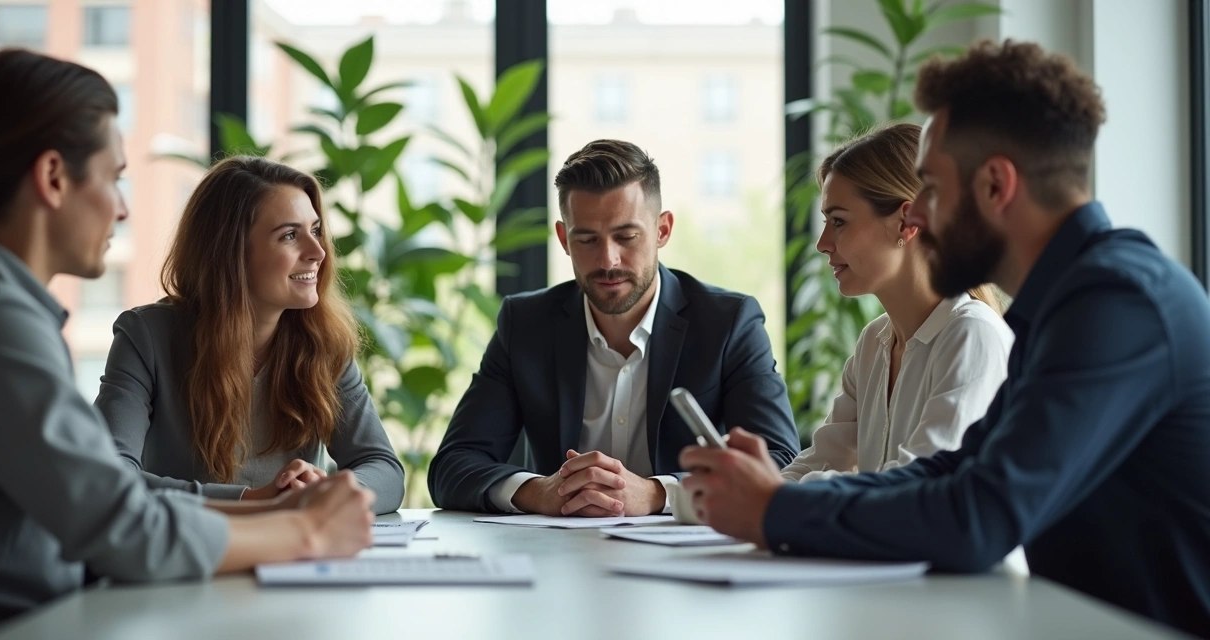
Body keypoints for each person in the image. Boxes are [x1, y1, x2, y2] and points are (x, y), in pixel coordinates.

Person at [680, 40, 1210, 637]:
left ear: (994, 185)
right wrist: (772, 497)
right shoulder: (1065, 304)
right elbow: (957, 470)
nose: (919, 217)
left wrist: (778, 508)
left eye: (930, 187)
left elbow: (980, 515)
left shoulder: (1117, 302)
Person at [0, 48, 375, 625]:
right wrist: (303, 527)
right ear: (52, 178)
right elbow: (120, 522)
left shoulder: (19, 312)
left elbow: (99, 510)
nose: (122, 210)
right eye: (114, 179)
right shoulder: (9, 322)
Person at [428, 139, 800, 516]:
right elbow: (453, 466)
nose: (608, 260)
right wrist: (538, 491)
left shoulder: (728, 323)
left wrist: (658, 494)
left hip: (686, 561)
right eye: (587, 239)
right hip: (560, 558)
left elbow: (781, 461)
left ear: (663, 230)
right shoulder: (525, 324)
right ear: (563, 239)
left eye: (626, 236)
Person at [94, 156, 404, 514]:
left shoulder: (323, 342)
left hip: (294, 557)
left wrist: (327, 490)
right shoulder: (145, 338)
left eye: (316, 230)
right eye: (290, 235)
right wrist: (251, 500)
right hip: (185, 558)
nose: (318, 252)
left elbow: (386, 471)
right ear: (231, 252)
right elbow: (110, 475)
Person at [781, 122, 1012, 482]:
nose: (822, 243)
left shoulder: (971, 335)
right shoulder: (874, 343)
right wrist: (751, 492)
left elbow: (917, 486)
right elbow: (822, 460)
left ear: (906, 221)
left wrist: (778, 496)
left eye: (838, 221)